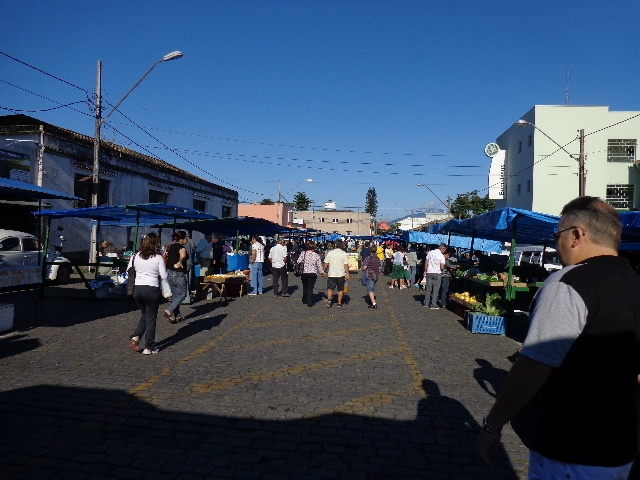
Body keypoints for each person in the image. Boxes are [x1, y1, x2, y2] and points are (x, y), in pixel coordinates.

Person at [476, 196, 640, 479]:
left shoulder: (569, 282)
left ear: (576, 235)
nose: (555, 244)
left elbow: (534, 367)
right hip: (622, 447)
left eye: (557, 236)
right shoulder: (635, 283)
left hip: (570, 447)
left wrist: (493, 424)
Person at [128, 232, 167, 355]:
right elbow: (164, 276)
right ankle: (149, 347)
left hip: (137, 289)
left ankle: (136, 336)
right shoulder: (158, 257)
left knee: (145, 314)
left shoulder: (135, 255)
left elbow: (129, 269)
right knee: (151, 318)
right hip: (151, 289)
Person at [164, 231, 189, 324]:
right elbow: (183, 256)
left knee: (175, 295)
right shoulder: (182, 247)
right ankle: (169, 310)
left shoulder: (170, 246)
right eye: (186, 238)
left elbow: (165, 255)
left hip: (169, 272)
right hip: (178, 273)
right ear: (182, 238)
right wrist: (180, 262)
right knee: (183, 293)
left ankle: (177, 316)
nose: (187, 240)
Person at [297, 240, 325, 307]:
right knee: (310, 287)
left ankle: (304, 299)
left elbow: (298, 261)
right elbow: (319, 265)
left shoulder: (303, 253)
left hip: (304, 272)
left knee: (305, 286)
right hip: (313, 273)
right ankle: (309, 302)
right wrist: (322, 272)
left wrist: (304, 262)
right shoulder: (316, 255)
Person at [323, 240, 350, 308]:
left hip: (332, 274)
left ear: (335, 245)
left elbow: (326, 263)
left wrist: (323, 271)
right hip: (341, 274)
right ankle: (339, 303)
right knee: (340, 289)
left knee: (330, 288)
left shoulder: (330, 253)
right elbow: (345, 265)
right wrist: (347, 273)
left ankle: (329, 300)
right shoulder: (344, 253)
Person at [422, 243, 446, 309]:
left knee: (428, 289)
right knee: (435, 289)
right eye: (445, 250)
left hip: (429, 272)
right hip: (437, 273)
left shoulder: (430, 252)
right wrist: (442, 268)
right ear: (442, 248)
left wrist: (425, 270)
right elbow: (442, 267)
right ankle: (433, 305)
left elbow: (426, 262)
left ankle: (426, 304)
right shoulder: (441, 255)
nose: (444, 251)